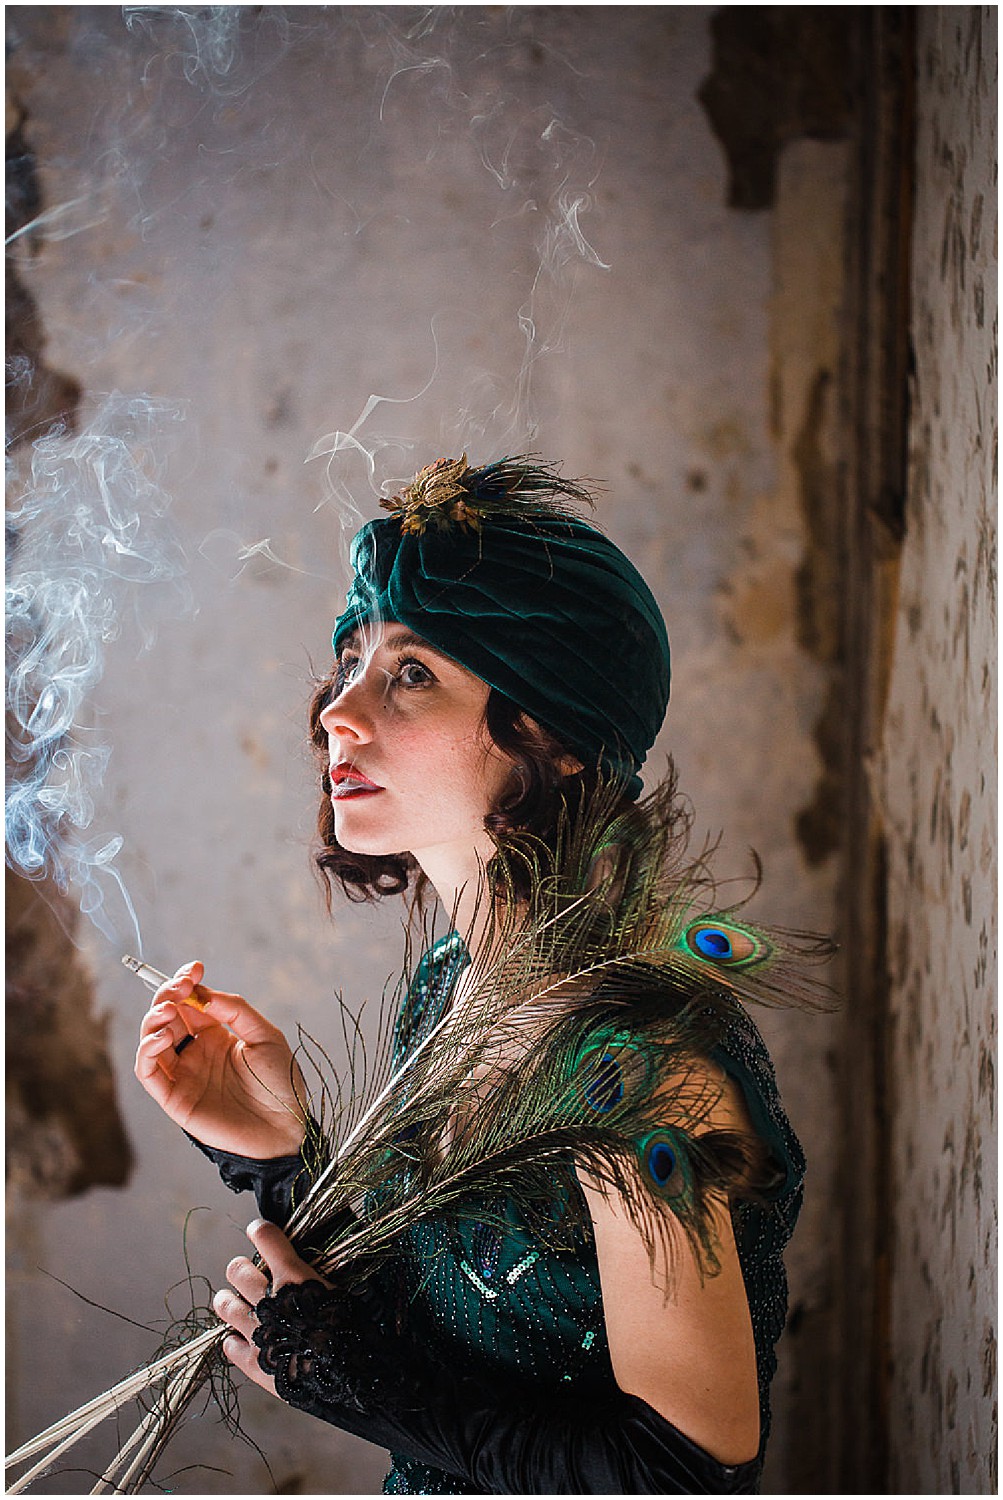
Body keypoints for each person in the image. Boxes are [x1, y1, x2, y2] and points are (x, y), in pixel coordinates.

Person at [135, 455, 813, 1495]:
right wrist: (278, 1154)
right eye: (351, 660)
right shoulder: (452, 979)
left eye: (411, 673)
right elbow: (457, 1298)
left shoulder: (634, 1069)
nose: (337, 713)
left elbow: (684, 1468)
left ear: (550, 734)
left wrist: (372, 1392)